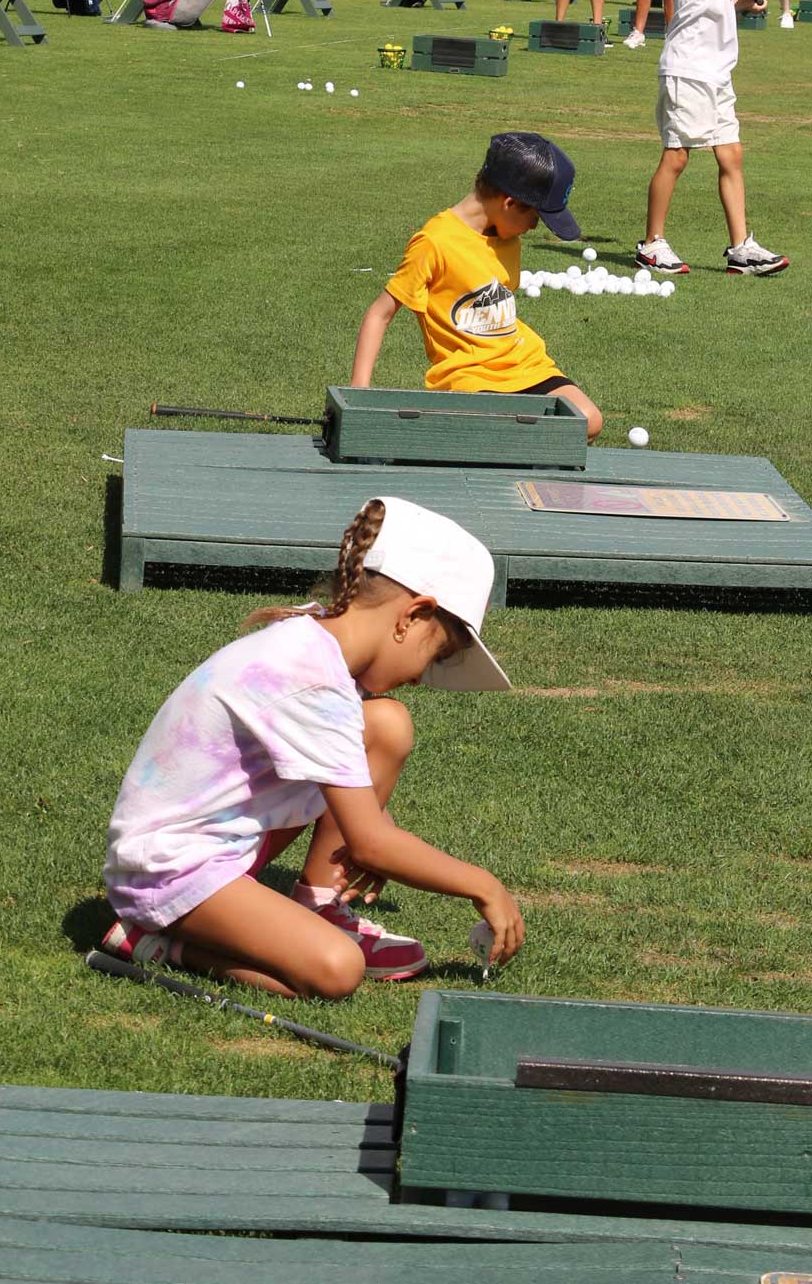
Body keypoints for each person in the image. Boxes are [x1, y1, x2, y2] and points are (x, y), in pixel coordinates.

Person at [97, 496, 524, 996]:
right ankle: (157, 940)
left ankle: (317, 903)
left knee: (386, 724)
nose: (422, 677)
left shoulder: (316, 640)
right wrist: (483, 885)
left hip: (219, 846)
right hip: (166, 871)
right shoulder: (312, 679)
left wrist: (379, 834)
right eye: (438, 654)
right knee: (335, 970)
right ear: (413, 615)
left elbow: (358, 805)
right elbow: (368, 842)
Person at [351, 131, 603, 436]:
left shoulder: (508, 237)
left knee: (588, 420)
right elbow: (380, 313)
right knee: (491, 432)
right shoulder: (435, 242)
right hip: (468, 377)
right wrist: (358, 395)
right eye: (535, 217)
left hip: (526, 365)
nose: (534, 227)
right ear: (510, 202)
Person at [636, 0, 789, 277]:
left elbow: (715, 6)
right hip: (688, 71)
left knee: (730, 154)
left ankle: (741, 249)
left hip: (715, 75)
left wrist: (742, 3)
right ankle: (652, 244)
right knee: (677, 155)